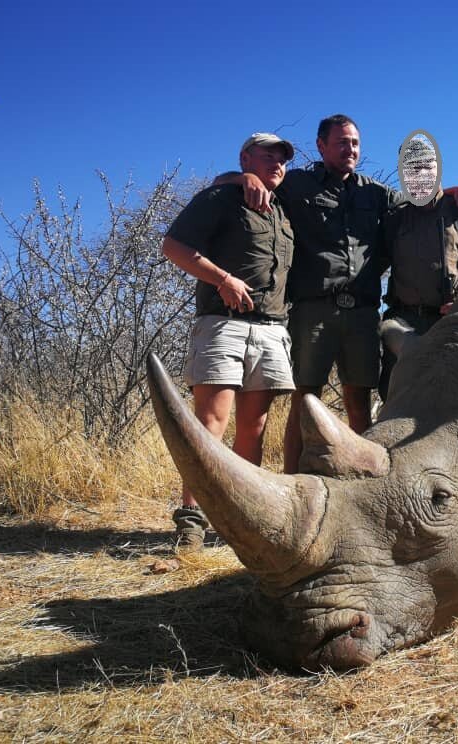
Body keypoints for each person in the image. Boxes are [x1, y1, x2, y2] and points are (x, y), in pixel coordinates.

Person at [220, 114, 458, 473]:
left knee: (360, 401)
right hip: (313, 310)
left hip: (362, 313)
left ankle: (362, 485)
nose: (349, 149)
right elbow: (231, 184)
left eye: (354, 143)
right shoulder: (297, 185)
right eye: (341, 142)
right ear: (321, 146)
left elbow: (417, 202)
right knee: (305, 401)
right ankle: (292, 480)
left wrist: (448, 192)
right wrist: (245, 177)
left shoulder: (376, 193)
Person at [161, 132, 296, 549]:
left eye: (282, 158)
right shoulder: (219, 199)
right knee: (210, 423)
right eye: (267, 154)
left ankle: (240, 519)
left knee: (254, 429)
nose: (276, 162)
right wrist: (223, 279)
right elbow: (173, 246)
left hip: (272, 329)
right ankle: (192, 521)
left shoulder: (284, 213)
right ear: (246, 158)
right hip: (224, 323)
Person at [379, 135, 458, 401]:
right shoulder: (395, 217)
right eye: (411, 168)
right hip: (403, 325)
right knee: (395, 398)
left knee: (453, 403)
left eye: (426, 166)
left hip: (454, 322)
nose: (420, 174)